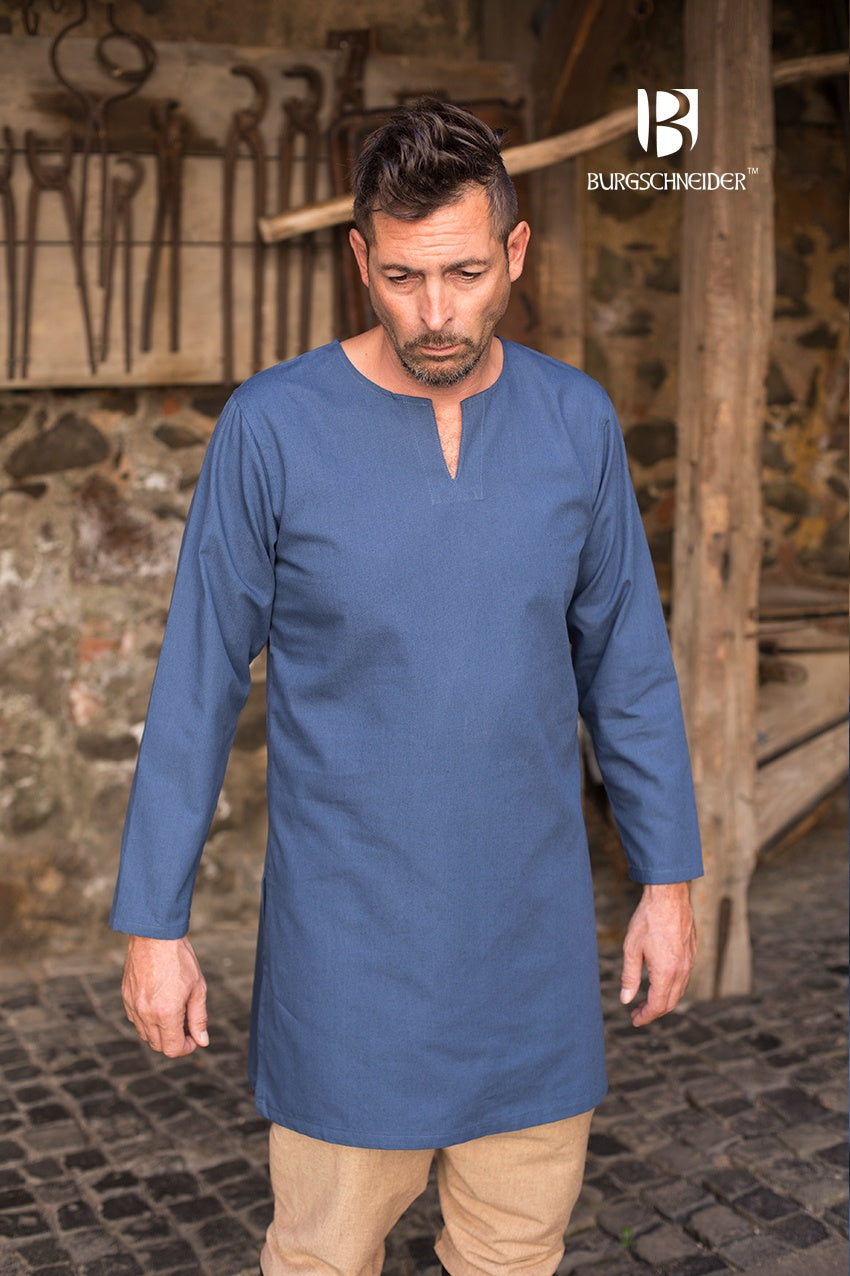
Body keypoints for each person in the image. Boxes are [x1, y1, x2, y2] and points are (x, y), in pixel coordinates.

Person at [112, 99, 702, 1276]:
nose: (435, 312)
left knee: (515, 1254)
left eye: (465, 273)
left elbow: (628, 667)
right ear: (359, 260)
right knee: (323, 1258)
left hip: (531, 953)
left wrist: (668, 881)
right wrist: (153, 926)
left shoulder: (576, 421)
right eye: (402, 276)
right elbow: (195, 681)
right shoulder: (271, 428)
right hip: (347, 959)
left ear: (515, 253)